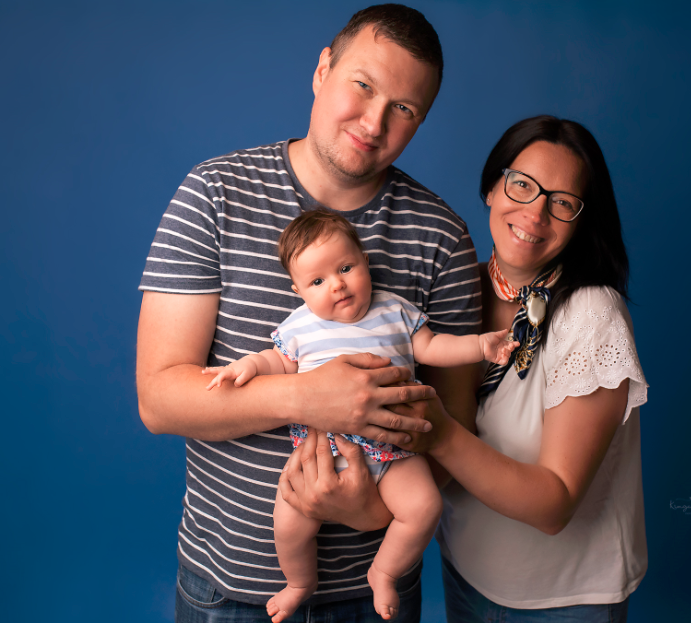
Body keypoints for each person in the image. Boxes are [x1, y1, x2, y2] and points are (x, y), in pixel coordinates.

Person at [136, 5, 482, 622]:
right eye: (363, 85)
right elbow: (159, 400)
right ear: (323, 69)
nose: (374, 122)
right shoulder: (214, 194)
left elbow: (456, 440)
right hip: (227, 591)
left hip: (373, 600)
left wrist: (371, 512)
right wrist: (307, 397)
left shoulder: (442, 238)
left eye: (404, 108)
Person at [203, 210, 516, 621]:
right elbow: (275, 361)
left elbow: (433, 347)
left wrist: (479, 346)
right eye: (317, 282)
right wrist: (246, 366)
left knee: (424, 507)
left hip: (394, 447)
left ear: (365, 261)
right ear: (299, 290)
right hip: (322, 452)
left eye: (345, 268)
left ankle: (383, 572)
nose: (336, 284)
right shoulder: (300, 326)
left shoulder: (396, 310)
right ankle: (299, 582)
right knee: (288, 521)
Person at [396, 115, 649, 622]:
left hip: (564, 599)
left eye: (562, 202)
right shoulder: (454, 288)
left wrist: (438, 433)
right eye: (522, 185)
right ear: (493, 187)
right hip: (465, 573)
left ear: (581, 220)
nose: (535, 213)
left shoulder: (592, 314)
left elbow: (555, 505)